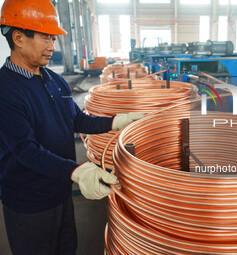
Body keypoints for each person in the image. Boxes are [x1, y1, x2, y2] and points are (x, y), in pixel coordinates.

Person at [0, 1, 144, 254]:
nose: (52, 47)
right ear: (19, 38)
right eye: (46, 38)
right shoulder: (6, 89)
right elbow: (26, 150)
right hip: (29, 202)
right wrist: (78, 171)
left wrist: (116, 121)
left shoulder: (53, 79)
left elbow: (77, 120)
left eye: (53, 40)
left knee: (66, 248)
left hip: (60, 189)